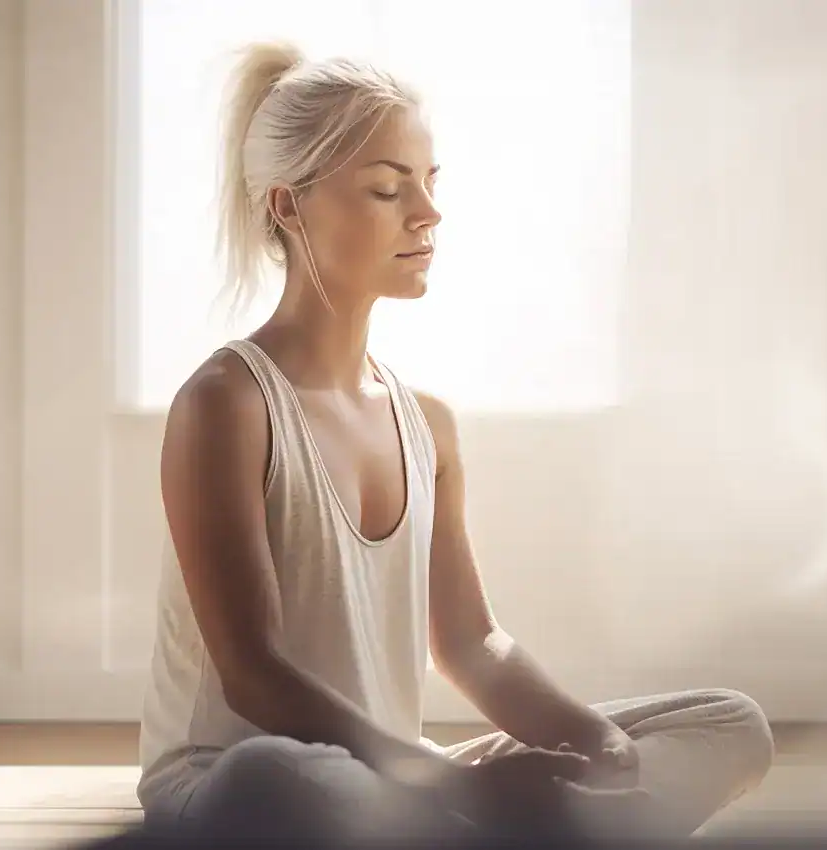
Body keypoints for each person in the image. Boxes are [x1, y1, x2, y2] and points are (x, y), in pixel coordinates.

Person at [136, 41, 774, 841]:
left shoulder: (426, 421)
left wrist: (594, 742)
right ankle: (526, 826)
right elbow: (253, 676)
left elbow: (473, 644)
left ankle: (516, 820)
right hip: (242, 783)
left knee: (729, 723)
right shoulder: (226, 403)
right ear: (287, 207)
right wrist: (445, 780)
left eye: (430, 184)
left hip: (398, 778)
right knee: (280, 774)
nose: (427, 214)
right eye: (385, 188)